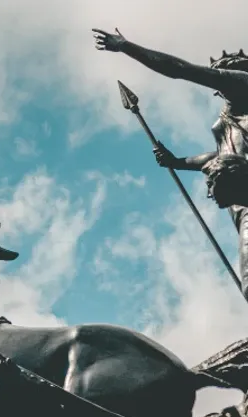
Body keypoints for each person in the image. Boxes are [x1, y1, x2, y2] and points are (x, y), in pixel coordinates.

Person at [93, 27, 248, 296]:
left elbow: (180, 69)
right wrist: (178, 161)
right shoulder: (225, 122)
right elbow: (218, 157)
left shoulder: (242, 84)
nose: (222, 80)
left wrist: (127, 47)